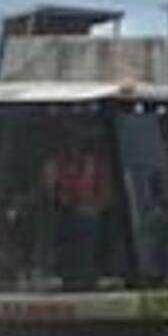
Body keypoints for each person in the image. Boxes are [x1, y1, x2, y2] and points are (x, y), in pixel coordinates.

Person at [40, 122, 116, 288]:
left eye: (79, 141)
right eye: (68, 140)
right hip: (63, 217)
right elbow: (51, 195)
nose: (73, 145)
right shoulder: (55, 164)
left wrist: (89, 206)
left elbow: (106, 196)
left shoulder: (99, 165)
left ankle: (90, 273)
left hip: (93, 218)